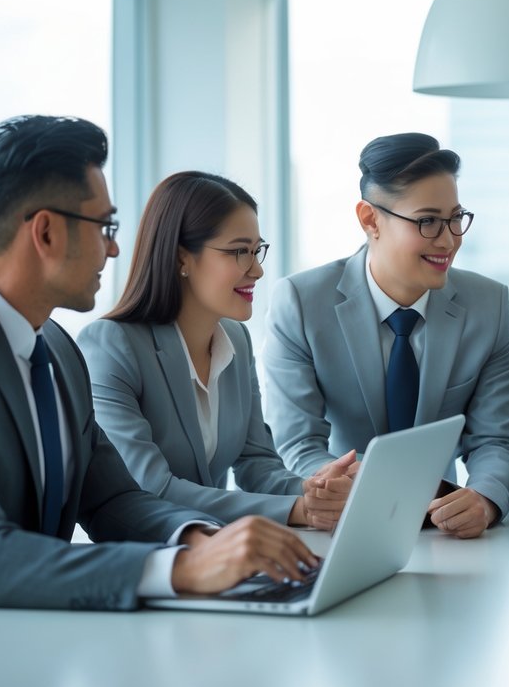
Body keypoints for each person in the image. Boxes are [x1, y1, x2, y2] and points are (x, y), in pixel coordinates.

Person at [0, 116, 317, 642]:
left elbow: (110, 502)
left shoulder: (55, 348)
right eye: (105, 227)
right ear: (46, 232)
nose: (115, 249)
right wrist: (182, 570)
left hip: (22, 634)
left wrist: (202, 540)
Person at [264, 132, 509, 539]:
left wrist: (485, 499)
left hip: (445, 531)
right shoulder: (301, 302)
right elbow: (297, 444)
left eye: (456, 218)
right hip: (342, 524)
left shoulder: (488, 305)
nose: (449, 239)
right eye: (427, 221)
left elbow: (498, 439)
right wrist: (368, 484)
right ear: (370, 219)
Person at [78, 172, 358, 529]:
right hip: (156, 561)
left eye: (257, 250)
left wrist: (313, 491)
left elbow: (257, 464)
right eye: (240, 251)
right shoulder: (111, 347)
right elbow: (150, 489)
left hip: (228, 554)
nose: (256, 269)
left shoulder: (236, 341)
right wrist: (297, 510)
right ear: (182, 258)